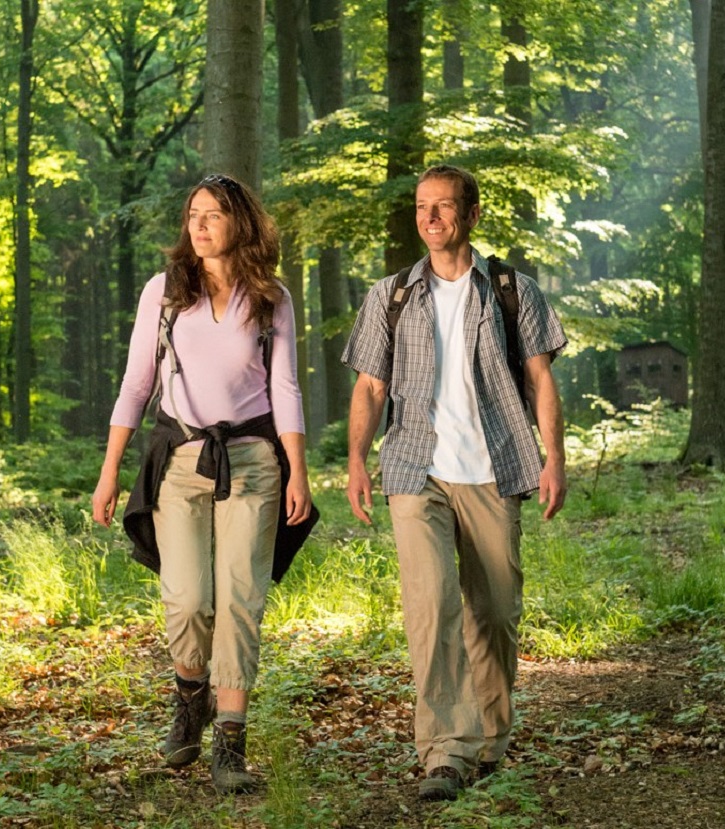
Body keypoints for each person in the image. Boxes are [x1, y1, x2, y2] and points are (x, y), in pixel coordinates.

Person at [342, 164, 567, 801]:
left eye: (443, 207)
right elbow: (369, 386)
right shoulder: (391, 295)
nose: (430, 218)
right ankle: (445, 750)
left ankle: (489, 741)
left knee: (493, 613)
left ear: (471, 215)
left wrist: (555, 457)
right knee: (432, 603)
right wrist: (358, 460)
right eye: (421, 207)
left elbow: (541, 379)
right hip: (415, 467)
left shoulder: (511, 290)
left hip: (494, 467)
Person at [91, 173, 312, 795]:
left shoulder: (272, 297)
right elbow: (137, 383)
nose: (200, 224)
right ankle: (192, 700)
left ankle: (231, 743)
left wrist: (299, 469)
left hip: (254, 461)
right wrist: (110, 471)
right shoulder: (164, 292)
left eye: (213, 214)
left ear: (240, 223)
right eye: (193, 214)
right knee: (189, 599)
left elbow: (286, 388)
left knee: (242, 599)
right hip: (181, 459)